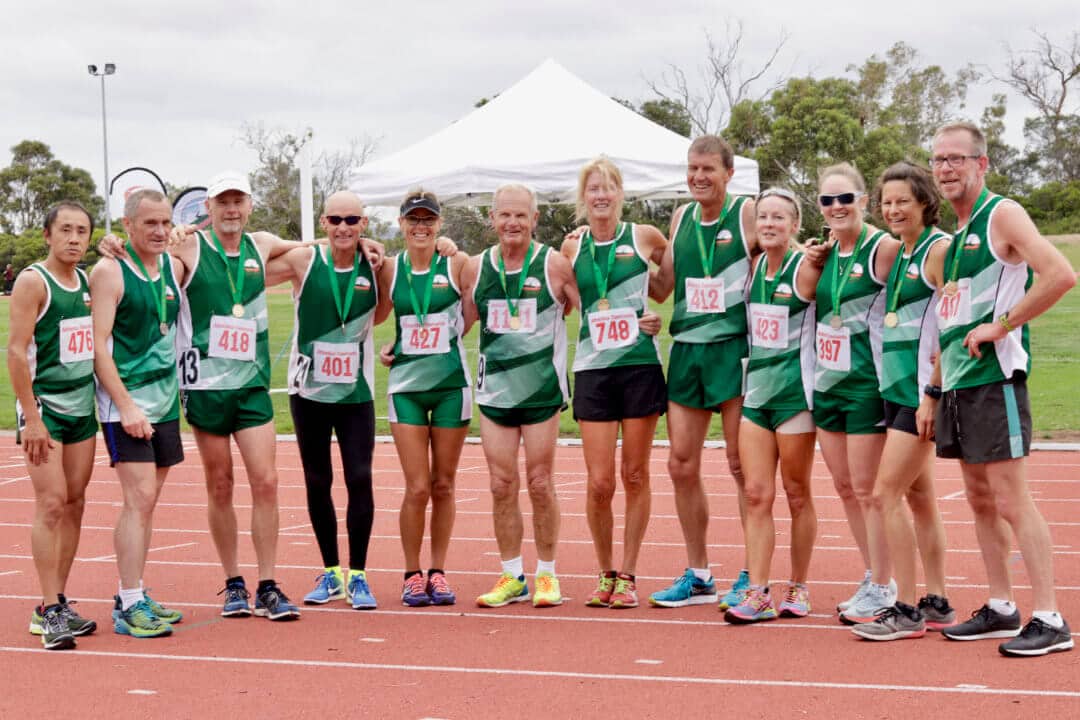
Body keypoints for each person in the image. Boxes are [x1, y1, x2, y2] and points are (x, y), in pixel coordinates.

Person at [920, 122, 1075, 656]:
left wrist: (1002, 325)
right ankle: (1001, 606)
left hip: (996, 380)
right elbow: (953, 320)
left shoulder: (1001, 215)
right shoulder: (955, 237)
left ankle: (1050, 617)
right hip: (960, 386)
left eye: (956, 158)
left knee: (1010, 498)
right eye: (938, 159)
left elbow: (1060, 275)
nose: (946, 168)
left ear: (981, 164)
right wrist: (935, 387)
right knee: (979, 498)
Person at [170, 172, 299, 620]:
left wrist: (363, 242)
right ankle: (233, 583)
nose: (231, 209)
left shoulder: (261, 244)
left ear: (249, 205)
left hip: (250, 385)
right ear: (208, 207)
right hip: (205, 386)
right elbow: (149, 262)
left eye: (238, 201)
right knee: (220, 483)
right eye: (222, 201)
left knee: (266, 481)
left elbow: (313, 248)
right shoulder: (189, 246)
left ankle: (268, 584)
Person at [265, 191, 389, 610]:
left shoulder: (377, 265)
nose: (343, 227)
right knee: (318, 481)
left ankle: (359, 575)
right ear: (323, 222)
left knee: (359, 477)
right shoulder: (304, 261)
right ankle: (331, 571)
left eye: (352, 220)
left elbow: (386, 310)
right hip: (308, 392)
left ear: (364, 223)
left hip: (356, 393)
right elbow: (254, 264)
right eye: (335, 220)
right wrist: (317, 243)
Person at [648, 135, 758, 609]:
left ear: (729, 173)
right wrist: (622, 263)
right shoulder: (681, 218)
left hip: (733, 349)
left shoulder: (746, 213)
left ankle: (754, 572)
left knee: (741, 465)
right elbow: (662, 287)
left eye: (708, 169)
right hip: (688, 349)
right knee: (680, 464)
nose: (698, 176)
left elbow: (781, 255)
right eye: (692, 168)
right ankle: (698, 574)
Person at [852, 162, 956, 641]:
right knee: (920, 497)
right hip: (897, 390)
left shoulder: (938, 250)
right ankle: (936, 601)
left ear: (925, 202)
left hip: (921, 395)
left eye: (903, 201)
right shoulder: (903, 252)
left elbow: (954, 326)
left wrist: (933, 393)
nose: (893, 209)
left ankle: (907, 609)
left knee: (884, 494)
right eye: (887, 202)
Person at [462, 183, 579, 609]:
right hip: (495, 392)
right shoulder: (475, 268)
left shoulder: (555, 265)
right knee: (500, 484)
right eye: (505, 215)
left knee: (540, 482)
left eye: (521, 215)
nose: (512, 222)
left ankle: (547, 574)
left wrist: (637, 322)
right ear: (492, 218)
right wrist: (398, 348)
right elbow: (458, 324)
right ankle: (512, 576)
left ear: (535, 219)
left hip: (541, 391)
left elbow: (590, 309)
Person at [560, 158, 666, 609]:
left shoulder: (644, 236)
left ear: (621, 193)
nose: (601, 195)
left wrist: (652, 315)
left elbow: (666, 285)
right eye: (593, 189)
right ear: (583, 197)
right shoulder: (571, 247)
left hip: (639, 366)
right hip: (593, 369)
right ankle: (604, 571)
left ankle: (628, 574)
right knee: (600, 481)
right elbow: (564, 304)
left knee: (635, 474)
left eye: (609, 188)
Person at [723, 188, 821, 624]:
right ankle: (758, 591)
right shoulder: (754, 267)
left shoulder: (807, 268)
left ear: (794, 225)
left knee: (797, 493)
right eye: (763, 216)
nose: (769, 224)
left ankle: (798, 586)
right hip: (757, 397)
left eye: (778, 217)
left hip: (795, 397)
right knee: (756, 493)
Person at [91, 189, 185, 638]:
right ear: (126, 225)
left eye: (165, 222)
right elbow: (97, 347)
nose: (160, 231)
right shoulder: (109, 271)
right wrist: (126, 406)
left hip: (164, 402)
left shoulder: (173, 264)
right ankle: (129, 604)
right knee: (139, 498)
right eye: (149, 223)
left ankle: (133, 593)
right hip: (124, 404)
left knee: (148, 502)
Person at [812, 163, 902, 624]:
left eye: (845, 198)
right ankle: (872, 575)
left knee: (868, 491)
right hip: (827, 385)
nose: (837, 207)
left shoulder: (882, 249)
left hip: (866, 385)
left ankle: (886, 584)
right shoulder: (824, 253)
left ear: (864, 201)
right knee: (845, 488)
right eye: (827, 200)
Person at [9, 202, 99, 649]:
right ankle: (47, 612)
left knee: (75, 501)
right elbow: (15, 351)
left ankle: (57, 602)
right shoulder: (33, 281)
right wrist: (32, 419)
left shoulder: (87, 281)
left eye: (82, 231)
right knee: (50, 502)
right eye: (65, 229)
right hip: (46, 408)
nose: (74, 238)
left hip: (82, 407)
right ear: (47, 234)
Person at [378, 189, 471, 607]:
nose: (421, 226)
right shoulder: (389, 268)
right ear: (401, 224)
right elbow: (378, 315)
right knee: (417, 488)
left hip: (451, 385)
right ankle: (411, 573)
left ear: (439, 223)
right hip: (406, 388)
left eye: (428, 219)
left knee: (444, 485)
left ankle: (438, 571)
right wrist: (390, 347)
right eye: (413, 219)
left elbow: (472, 313)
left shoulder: (456, 263)